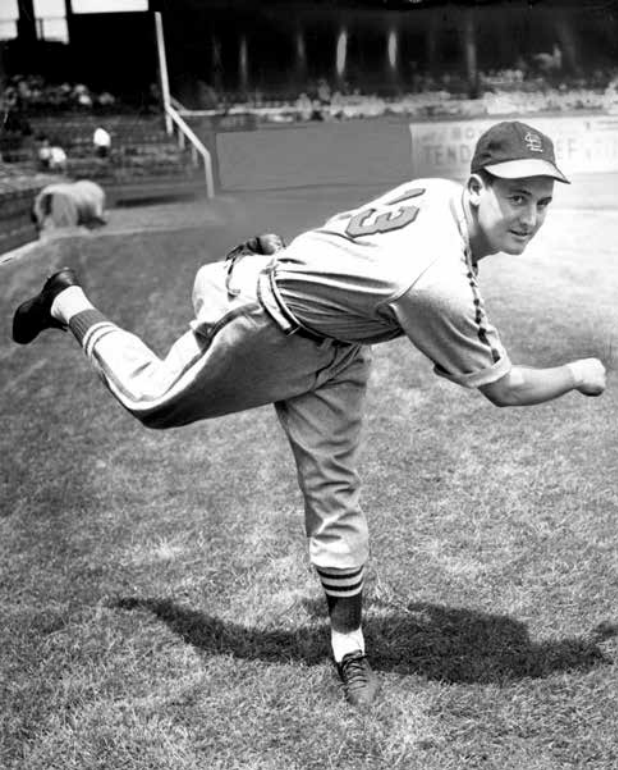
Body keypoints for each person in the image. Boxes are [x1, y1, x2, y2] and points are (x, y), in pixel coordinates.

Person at [11, 121, 606, 707]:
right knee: (150, 402)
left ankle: (349, 646)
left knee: (335, 493)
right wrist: (577, 374)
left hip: (336, 348)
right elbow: (505, 387)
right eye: (516, 197)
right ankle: (67, 301)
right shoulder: (436, 280)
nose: (530, 217)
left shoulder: (437, 190)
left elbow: (350, 238)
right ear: (478, 188)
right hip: (265, 323)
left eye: (542, 201)